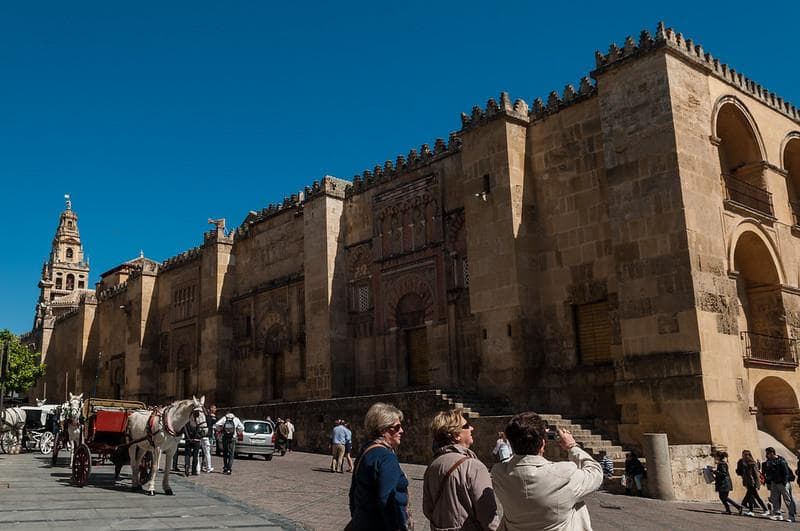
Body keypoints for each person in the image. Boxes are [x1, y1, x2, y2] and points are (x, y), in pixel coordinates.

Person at [491, 412, 602, 530]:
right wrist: (572, 446)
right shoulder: (564, 475)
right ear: (543, 443)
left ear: (511, 444)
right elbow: (595, 473)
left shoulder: (499, 473)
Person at [423, 409, 499, 531]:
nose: (472, 428)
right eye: (467, 426)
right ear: (456, 435)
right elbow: (488, 515)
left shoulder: (433, 465)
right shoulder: (473, 466)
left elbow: (427, 509)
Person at [348, 402, 412, 530]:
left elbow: (353, 493)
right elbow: (387, 499)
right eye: (397, 427)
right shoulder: (386, 457)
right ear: (383, 430)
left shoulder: (366, 451)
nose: (402, 430)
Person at [763, 446, 796, 522]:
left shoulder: (781, 461)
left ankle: (791, 516)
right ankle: (778, 515)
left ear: (772, 453)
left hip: (782, 483)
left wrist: (784, 482)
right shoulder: (770, 462)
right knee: (775, 499)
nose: (767, 455)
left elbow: (786, 473)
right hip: (774, 482)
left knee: (788, 499)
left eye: (767, 454)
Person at [736, 449, 766, 515]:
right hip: (747, 482)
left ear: (749, 456)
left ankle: (744, 506)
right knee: (752, 496)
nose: (745, 456)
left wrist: (757, 484)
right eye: (744, 455)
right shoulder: (741, 462)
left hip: (753, 482)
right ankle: (752, 510)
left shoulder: (752, 463)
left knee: (751, 496)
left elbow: (756, 474)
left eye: (747, 455)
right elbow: (739, 472)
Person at [202, 405, 217, 472]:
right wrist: (213, 417)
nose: (215, 409)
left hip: (208, 435)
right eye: (214, 408)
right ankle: (206, 466)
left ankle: (204, 465)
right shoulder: (210, 417)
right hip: (208, 435)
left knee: (206, 452)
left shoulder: (209, 417)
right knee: (207, 452)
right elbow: (215, 423)